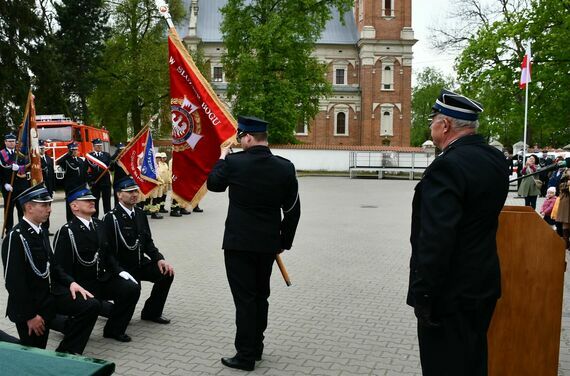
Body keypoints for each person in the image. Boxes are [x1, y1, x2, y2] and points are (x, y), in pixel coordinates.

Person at [407, 89, 509, 376]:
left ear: (446, 125)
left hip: (449, 294)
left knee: (444, 366)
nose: (431, 127)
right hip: (483, 285)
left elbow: (437, 238)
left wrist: (424, 294)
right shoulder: (494, 159)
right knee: (473, 363)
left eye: (432, 122)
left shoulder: (447, 166)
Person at [207, 115, 301, 371]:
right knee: (261, 296)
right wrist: (284, 241)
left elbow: (214, 185)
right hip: (267, 245)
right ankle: (256, 346)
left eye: (241, 138)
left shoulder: (234, 163)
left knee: (245, 300)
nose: (240, 142)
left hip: (239, 245)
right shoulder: (284, 167)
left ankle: (245, 355)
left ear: (247, 137)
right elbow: (292, 210)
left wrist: (221, 157)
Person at [1, 184, 94, 352]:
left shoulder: (41, 231)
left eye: (50, 204)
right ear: (29, 207)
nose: (49, 209)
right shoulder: (16, 237)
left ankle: (65, 354)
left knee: (90, 306)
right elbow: (14, 283)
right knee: (35, 354)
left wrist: (71, 282)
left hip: (49, 297)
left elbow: (53, 266)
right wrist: (30, 316)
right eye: (44, 205)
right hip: (30, 306)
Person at [51, 185, 141, 344]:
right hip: (81, 285)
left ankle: (114, 329)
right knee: (84, 313)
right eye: (86, 200)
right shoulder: (67, 232)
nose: (92, 201)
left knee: (131, 288)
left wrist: (119, 271)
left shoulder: (99, 225)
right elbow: (59, 267)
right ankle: (62, 323)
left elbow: (107, 254)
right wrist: (70, 284)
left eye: (92, 199)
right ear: (74, 206)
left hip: (100, 280)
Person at [103, 177, 174, 324]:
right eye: (129, 192)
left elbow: (148, 242)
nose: (134, 194)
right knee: (132, 294)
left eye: (135, 191)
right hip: (122, 267)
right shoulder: (110, 218)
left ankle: (151, 312)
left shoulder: (140, 214)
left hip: (140, 263)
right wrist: (117, 270)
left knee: (166, 274)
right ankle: (104, 308)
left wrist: (159, 259)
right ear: (119, 194)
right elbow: (106, 250)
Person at [0, 132, 30, 232]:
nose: (12, 143)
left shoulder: (20, 154)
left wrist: (20, 168)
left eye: (13, 141)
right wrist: (4, 184)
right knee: (8, 210)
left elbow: (28, 168)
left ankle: (22, 229)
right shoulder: (1, 154)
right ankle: (9, 230)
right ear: (5, 142)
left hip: (21, 187)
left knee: (22, 210)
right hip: (8, 187)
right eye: (9, 141)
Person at [58, 142, 88, 221]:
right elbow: (59, 162)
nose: (75, 151)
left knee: (80, 205)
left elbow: (84, 173)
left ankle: (80, 220)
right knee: (71, 206)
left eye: (76, 150)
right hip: (71, 188)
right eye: (73, 150)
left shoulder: (81, 160)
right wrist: (68, 154)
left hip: (80, 187)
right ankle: (70, 222)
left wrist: (86, 185)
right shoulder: (67, 161)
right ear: (70, 151)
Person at [86, 138, 112, 218]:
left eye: (100, 146)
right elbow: (85, 170)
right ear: (94, 146)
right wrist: (90, 181)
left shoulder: (107, 155)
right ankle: (94, 219)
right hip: (95, 183)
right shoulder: (90, 156)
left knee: (107, 202)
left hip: (105, 182)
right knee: (95, 202)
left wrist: (112, 164)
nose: (99, 147)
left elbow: (111, 168)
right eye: (97, 146)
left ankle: (108, 218)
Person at [39, 140, 55, 235]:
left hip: (48, 188)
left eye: (43, 148)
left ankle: (46, 228)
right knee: (39, 209)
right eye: (40, 148)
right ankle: (39, 228)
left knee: (47, 209)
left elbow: (52, 174)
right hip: (40, 188)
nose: (42, 149)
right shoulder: (35, 159)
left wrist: (53, 188)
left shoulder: (49, 158)